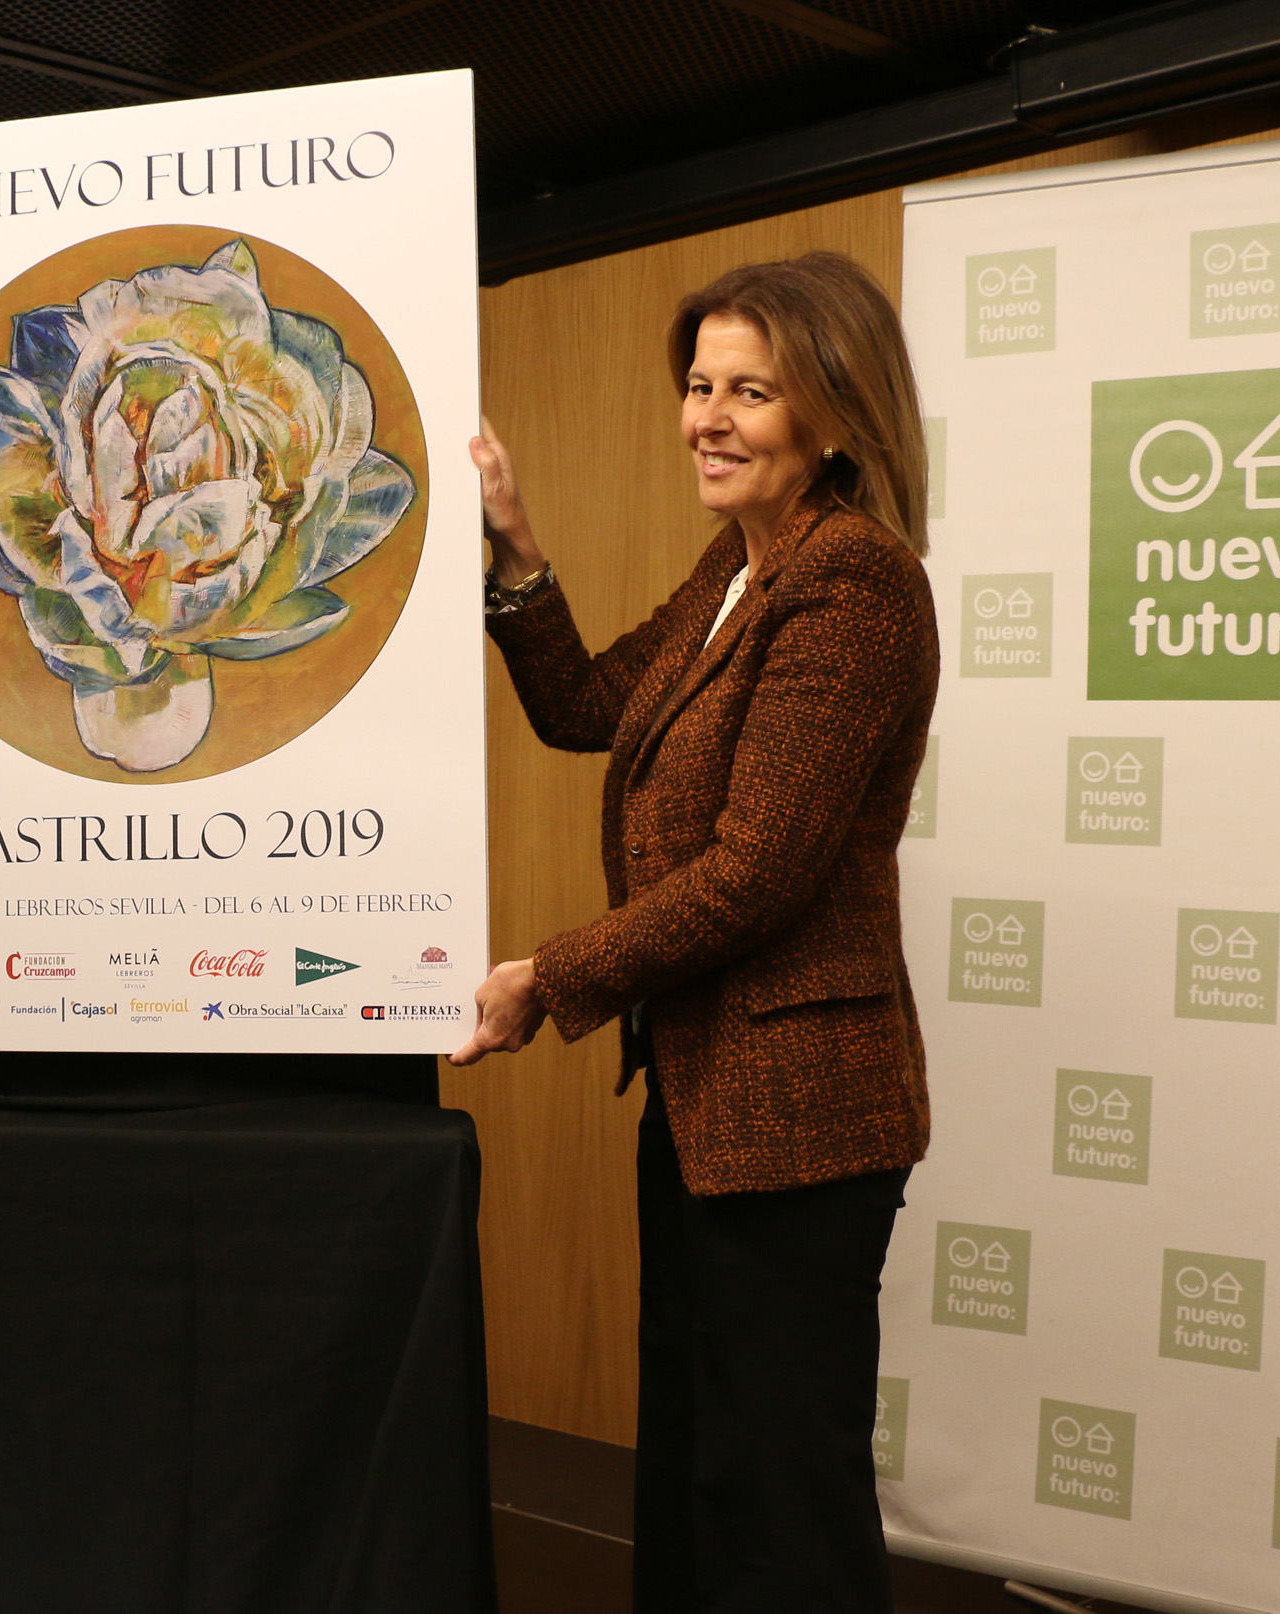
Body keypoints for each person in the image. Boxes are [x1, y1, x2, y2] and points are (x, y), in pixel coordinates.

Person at [453, 251, 938, 1611]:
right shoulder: (743, 562)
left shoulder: (852, 582)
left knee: (776, 1487)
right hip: (705, 1090)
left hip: (801, 1113)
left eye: (749, 392)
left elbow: (755, 873)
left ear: (834, 414)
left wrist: (550, 976)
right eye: (698, 386)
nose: (707, 420)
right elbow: (586, 703)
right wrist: (517, 547)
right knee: (697, 1461)